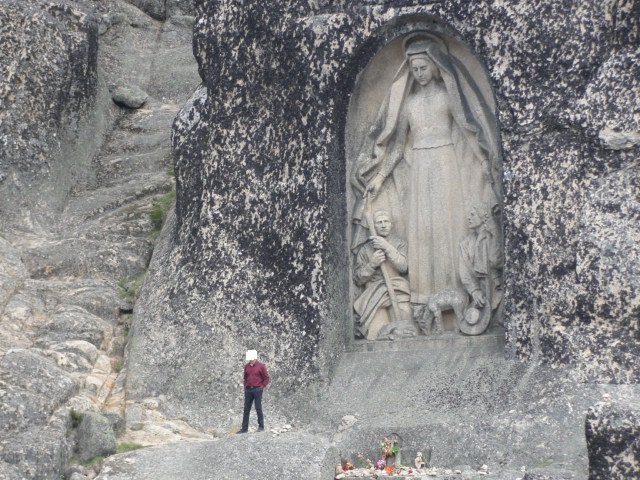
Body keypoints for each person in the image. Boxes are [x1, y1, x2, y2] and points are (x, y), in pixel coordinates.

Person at [351, 33, 501, 308]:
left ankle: (455, 290)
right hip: (419, 166)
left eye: (423, 67)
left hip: (445, 162)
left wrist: (483, 160)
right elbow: (396, 147)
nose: (419, 73)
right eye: (414, 69)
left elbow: (469, 129)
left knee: (448, 226)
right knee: (422, 227)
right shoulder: (409, 104)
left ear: (434, 65)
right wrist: (381, 176)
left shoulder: (447, 96)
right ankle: (423, 295)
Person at [353, 210, 412, 339]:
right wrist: (372, 264)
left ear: (391, 224)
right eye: (379, 222)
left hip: (399, 290)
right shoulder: (365, 249)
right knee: (377, 333)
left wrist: (387, 247)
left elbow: (403, 267)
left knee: (408, 331)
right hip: (375, 295)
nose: (384, 225)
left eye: (386, 221)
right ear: (373, 226)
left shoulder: (400, 244)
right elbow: (358, 279)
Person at [237, 350, 269, 433]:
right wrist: (245, 386)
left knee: (258, 408)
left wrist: (262, 387)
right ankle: (244, 429)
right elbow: (245, 377)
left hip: (257, 389)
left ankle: (261, 427)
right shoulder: (246, 366)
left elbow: (266, 378)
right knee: (246, 409)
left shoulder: (261, 366)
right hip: (248, 389)